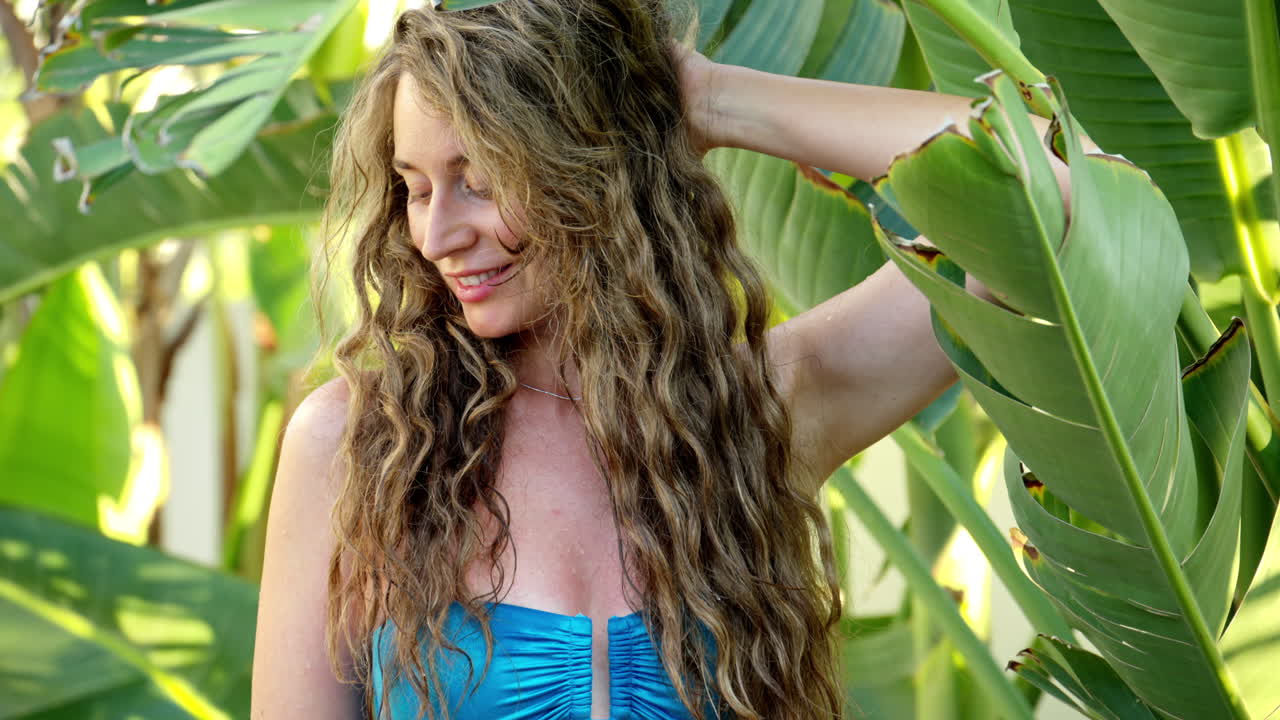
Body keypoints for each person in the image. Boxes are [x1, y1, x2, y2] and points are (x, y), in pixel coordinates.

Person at [251, 2, 1072, 719]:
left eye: (481, 178)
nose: (437, 237)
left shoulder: (757, 409)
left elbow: (1051, 186)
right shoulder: (364, 446)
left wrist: (713, 100)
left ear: (592, 170)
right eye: (416, 187)